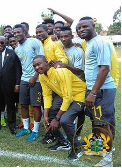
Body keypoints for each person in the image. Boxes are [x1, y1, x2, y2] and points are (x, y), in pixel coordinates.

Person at [77, 17, 116, 166]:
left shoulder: (99, 42)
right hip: (95, 89)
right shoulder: (90, 43)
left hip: (102, 90)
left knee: (103, 124)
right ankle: (98, 148)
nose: (81, 30)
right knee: (96, 121)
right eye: (79, 28)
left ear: (93, 26)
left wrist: (93, 93)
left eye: (84, 26)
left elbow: (104, 68)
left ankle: (108, 160)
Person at [33, 55, 85, 161]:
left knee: (65, 120)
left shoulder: (60, 72)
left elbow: (68, 97)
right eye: (34, 66)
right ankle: (63, 142)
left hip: (79, 95)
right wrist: (46, 115)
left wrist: (57, 119)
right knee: (49, 115)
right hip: (65, 96)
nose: (37, 68)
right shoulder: (42, 76)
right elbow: (46, 95)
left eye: (39, 64)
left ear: (46, 62)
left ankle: (77, 148)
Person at [35, 24, 68, 145]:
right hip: (48, 82)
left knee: (55, 110)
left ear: (47, 31)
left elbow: (64, 59)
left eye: (40, 32)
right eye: (37, 32)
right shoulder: (41, 44)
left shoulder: (54, 43)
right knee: (48, 107)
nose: (39, 34)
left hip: (59, 82)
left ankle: (57, 136)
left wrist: (55, 65)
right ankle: (51, 134)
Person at [13, 24, 44, 142]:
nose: (16, 35)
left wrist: (35, 76)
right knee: (23, 104)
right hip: (24, 79)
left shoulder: (34, 42)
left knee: (36, 106)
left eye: (18, 32)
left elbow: (42, 60)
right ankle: (26, 128)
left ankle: (35, 131)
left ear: (24, 32)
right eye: (14, 33)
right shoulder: (17, 48)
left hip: (36, 79)